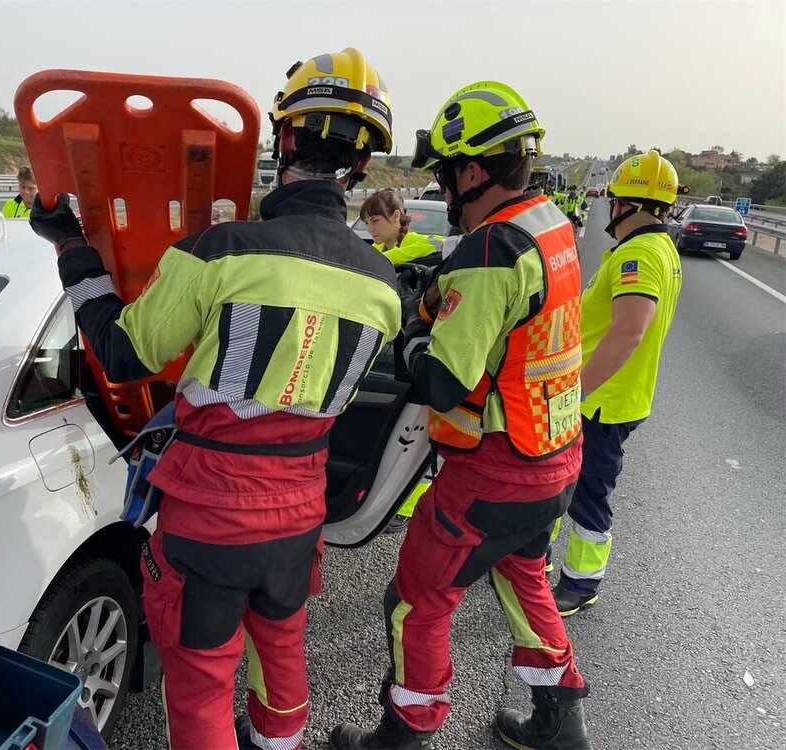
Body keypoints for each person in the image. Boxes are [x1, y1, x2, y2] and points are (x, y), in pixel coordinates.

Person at [30, 47, 402, 750]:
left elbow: (121, 351)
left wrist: (72, 249)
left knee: (201, 687)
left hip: (208, 522)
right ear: (360, 166)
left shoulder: (219, 251)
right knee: (283, 660)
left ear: (283, 137)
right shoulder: (385, 287)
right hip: (299, 519)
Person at [330, 81, 591, 750]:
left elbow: (444, 382)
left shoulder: (489, 252)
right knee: (524, 577)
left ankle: (405, 731)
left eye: (446, 175)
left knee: (416, 601)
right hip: (553, 455)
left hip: (494, 473)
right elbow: (518, 327)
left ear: (474, 170)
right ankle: (561, 724)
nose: (444, 190)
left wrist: (419, 327)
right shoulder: (550, 227)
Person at [551, 150, 683, 617]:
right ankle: (532, 563)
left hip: (600, 402)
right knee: (559, 484)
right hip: (608, 398)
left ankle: (580, 584)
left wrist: (577, 393)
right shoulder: (659, 249)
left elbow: (629, 330)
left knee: (587, 493)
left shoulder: (641, 254)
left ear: (621, 203)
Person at [359, 188, 441, 264]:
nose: (369, 229)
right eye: (366, 223)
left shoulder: (414, 241)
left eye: (375, 221)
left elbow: (440, 242)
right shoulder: (376, 248)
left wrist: (389, 257)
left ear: (396, 216)